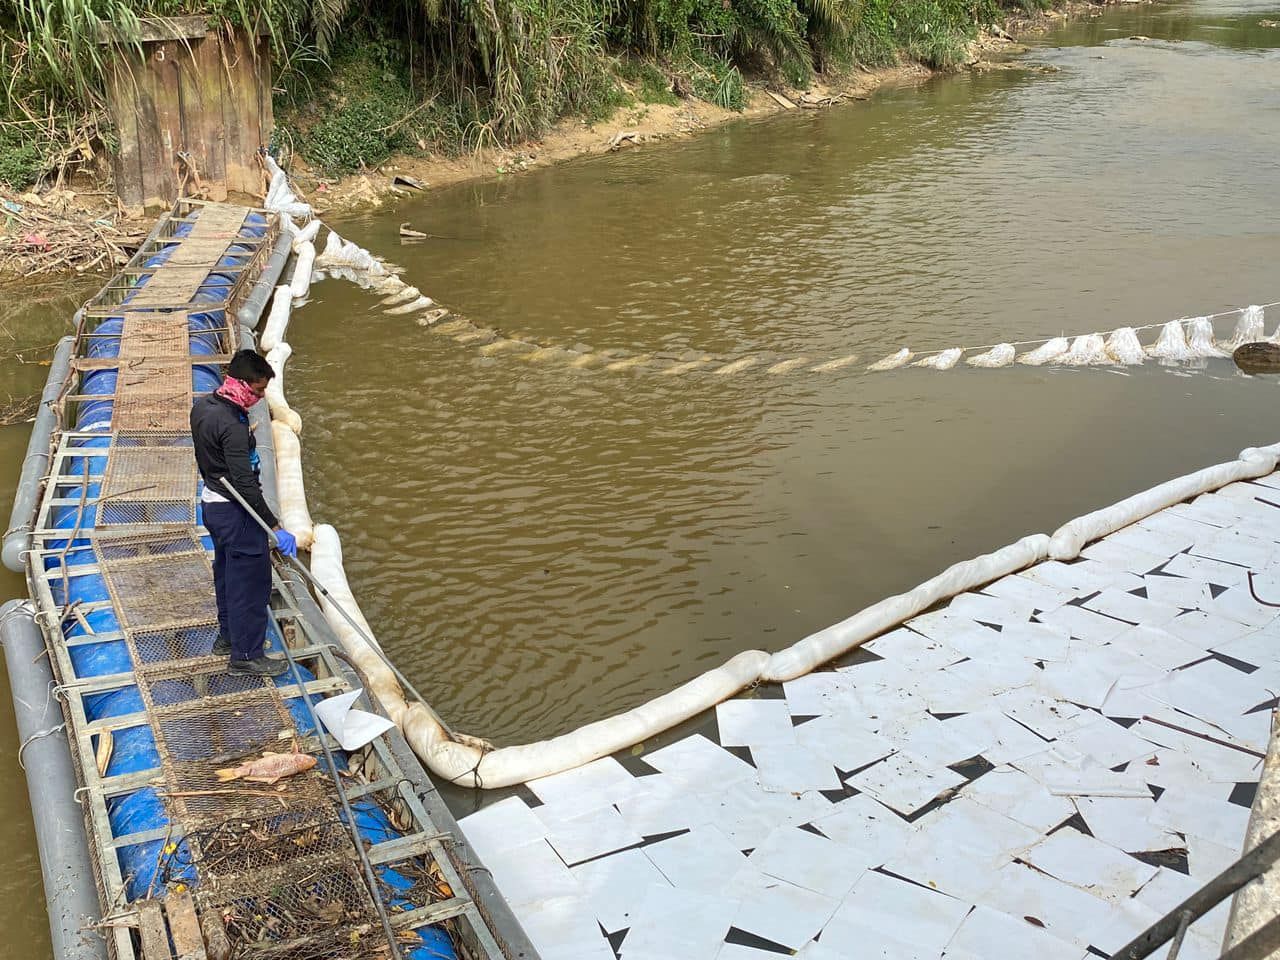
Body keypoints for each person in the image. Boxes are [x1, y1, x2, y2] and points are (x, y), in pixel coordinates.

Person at [190, 348, 297, 677]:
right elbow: (245, 485)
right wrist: (274, 526)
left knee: (226, 575)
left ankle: (227, 638)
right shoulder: (233, 426)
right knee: (250, 585)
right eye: (258, 390)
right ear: (239, 383)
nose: (259, 398)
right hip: (237, 513)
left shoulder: (204, 406)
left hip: (212, 506)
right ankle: (247, 654)